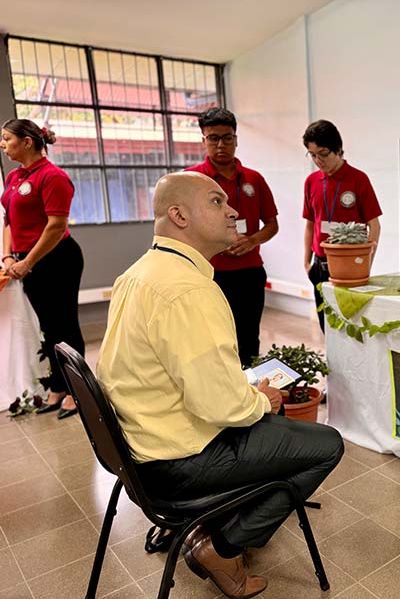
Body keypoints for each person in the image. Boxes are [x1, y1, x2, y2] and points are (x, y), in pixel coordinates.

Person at [96, 172, 344, 599]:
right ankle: (221, 546)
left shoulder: (139, 273)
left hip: (138, 450)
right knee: (327, 445)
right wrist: (262, 399)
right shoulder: (189, 290)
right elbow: (222, 407)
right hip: (177, 461)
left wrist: (243, 394)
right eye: (216, 202)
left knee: (265, 414)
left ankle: (209, 525)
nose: (233, 211)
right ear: (179, 215)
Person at [1, 119, 85, 419]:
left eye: (7, 138)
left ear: (27, 142)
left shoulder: (53, 177)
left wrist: (27, 261)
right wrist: (8, 257)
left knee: (65, 326)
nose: (2, 144)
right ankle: (58, 387)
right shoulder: (14, 177)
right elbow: (8, 220)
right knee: (48, 328)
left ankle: (80, 392)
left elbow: (56, 226)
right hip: (26, 261)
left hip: (57, 259)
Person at [186, 107, 279, 367]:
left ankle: (250, 395)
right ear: (203, 140)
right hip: (208, 274)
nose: (221, 144)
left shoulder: (254, 179)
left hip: (249, 272)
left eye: (227, 137)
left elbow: (272, 224)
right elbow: (182, 227)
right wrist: (214, 243)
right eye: (213, 138)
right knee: (212, 340)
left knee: (249, 339)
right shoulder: (191, 179)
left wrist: (252, 240)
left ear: (236, 139)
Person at [302, 120, 382, 330]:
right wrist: (306, 262)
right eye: (312, 154)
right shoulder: (311, 182)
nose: (318, 160)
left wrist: (366, 264)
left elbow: (374, 225)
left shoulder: (358, 179)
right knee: (325, 327)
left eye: (323, 153)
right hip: (320, 265)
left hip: (350, 267)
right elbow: (310, 224)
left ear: (338, 149)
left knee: (350, 328)